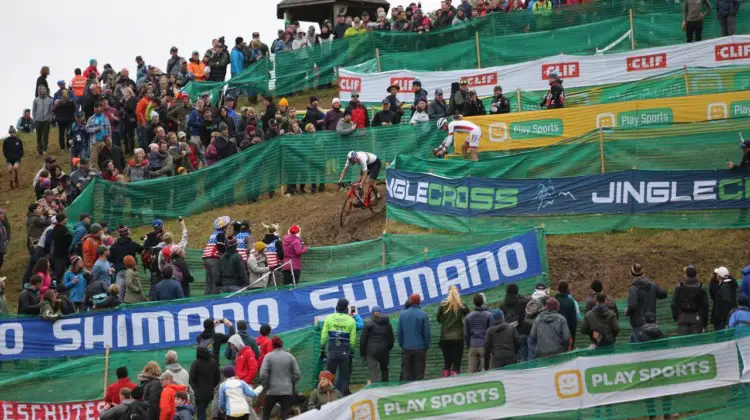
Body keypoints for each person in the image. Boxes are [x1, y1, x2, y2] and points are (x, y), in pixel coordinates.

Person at [320, 298, 357, 395]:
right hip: (345, 352)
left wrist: (322, 348)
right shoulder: (351, 321)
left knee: (329, 377)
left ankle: (328, 398)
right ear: (346, 309)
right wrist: (351, 352)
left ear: (336, 307)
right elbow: (353, 341)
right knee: (344, 377)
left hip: (332, 351)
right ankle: (343, 398)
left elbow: (324, 336)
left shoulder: (329, 318)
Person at [259, 336, 301, 420]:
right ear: (282, 345)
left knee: (266, 413)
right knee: (285, 415)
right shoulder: (290, 357)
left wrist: (266, 385)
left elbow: (263, 374)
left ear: (272, 345)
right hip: (286, 391)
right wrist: (290, 383)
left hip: (271, 390)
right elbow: (297, 374)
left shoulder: (268, 357)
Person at [626, 263, 668, 342]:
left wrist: (627, 312)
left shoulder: (633, 289)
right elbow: (664, 294)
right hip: (651, 322)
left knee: (639, 351)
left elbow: (632, 306)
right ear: (643, 272)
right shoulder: (652, 285)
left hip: (637, 324)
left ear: (631, 273)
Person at [436, 286, 469, 376]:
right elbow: (468, 316)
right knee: (456, 363)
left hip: (445, 337)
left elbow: (438, 319)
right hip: (458, 338)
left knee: (447, 362)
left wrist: (445, 323)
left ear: (448, 293)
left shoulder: (443, 304)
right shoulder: (462, 304)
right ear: (457, 293)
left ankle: (445, 381)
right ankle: (455, 381)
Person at [398, 293, 430, 381]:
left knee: (407, 372)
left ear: (410, 301)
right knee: (419, 373)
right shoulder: (423, 315)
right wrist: (425, 346)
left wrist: (402, 345)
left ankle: (407, 392)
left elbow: (400, 333)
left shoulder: (402, 315)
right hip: (420, 348)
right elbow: (426, 334)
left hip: (406, 347)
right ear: (419, 302)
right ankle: (419, 391)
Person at [360, 305, 394, 384]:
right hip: (384, 351)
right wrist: (386, 349)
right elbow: (391, 340)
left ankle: (375, 391)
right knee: (384, 370)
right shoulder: (388, 324)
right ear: (380, 313)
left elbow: (363, 340)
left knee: (373, 373)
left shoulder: (368, 324)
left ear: (372, 314)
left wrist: (363, 354)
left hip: (371, 352)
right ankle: (385, 389)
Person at [671, 265, 710, 335]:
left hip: (682, 317)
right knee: (695, 343)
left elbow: (673, 304)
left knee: (683, 343)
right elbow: (705, 306)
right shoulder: (701, 289)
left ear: (686, 275)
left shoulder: (680, 288)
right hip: (696, 317)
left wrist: (677, 317)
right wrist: (704, 323)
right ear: (696, 275)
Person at [464, 293, 493, 373]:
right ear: (483, 302)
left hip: (473, 346)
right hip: (485, 346)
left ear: (473, 303)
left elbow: (466, 334)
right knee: (485, 372)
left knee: (471, 372)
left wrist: (469, 346)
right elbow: (491, 331)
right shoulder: (489, 315)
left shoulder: (468, 316)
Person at [190, 346, 220, 420]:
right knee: (203, 410)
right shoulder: (213, 362)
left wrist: (194, 388)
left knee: (201, 413)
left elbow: (191, 378)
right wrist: (212, 386)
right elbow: (217, 377)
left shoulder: (196, 363)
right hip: (210, 392)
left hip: (199, 393)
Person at [203, 216, 230, 295]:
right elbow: (220, 247)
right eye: (226, 227)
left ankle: (206, 300)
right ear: (224, 227)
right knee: (216, 281)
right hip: (213, 258)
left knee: (209, 282)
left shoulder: (213, 234)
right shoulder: (221, 235)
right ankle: (215, 300)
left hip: (206, 257)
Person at [710, 266, 738, 330]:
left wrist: (724, 320)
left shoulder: (724, 287)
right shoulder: (730, 284)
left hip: (723, 320)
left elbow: (726, 304)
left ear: (719, 276)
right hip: (729, 317)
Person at [555, 281, 578, 350]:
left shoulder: (553, 301)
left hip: (555, 334)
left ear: (558, 289)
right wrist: (573, 336)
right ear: (567, 290)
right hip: (567, 333)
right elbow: (573, 321)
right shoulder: (570, 302)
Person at [33, 85, 54, 155]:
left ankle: (44, 149)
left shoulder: (50, 100)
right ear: (39, 91)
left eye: (44, 89)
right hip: (38, 120)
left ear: (46, 90)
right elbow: (34, 110)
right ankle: (39, 150)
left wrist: (50, 119)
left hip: (46, 121)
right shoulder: (36, 100)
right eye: (41, 89)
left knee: (45, 136)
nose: (42, 90)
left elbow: (51, 111)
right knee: (38, 136)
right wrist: (34, 118)